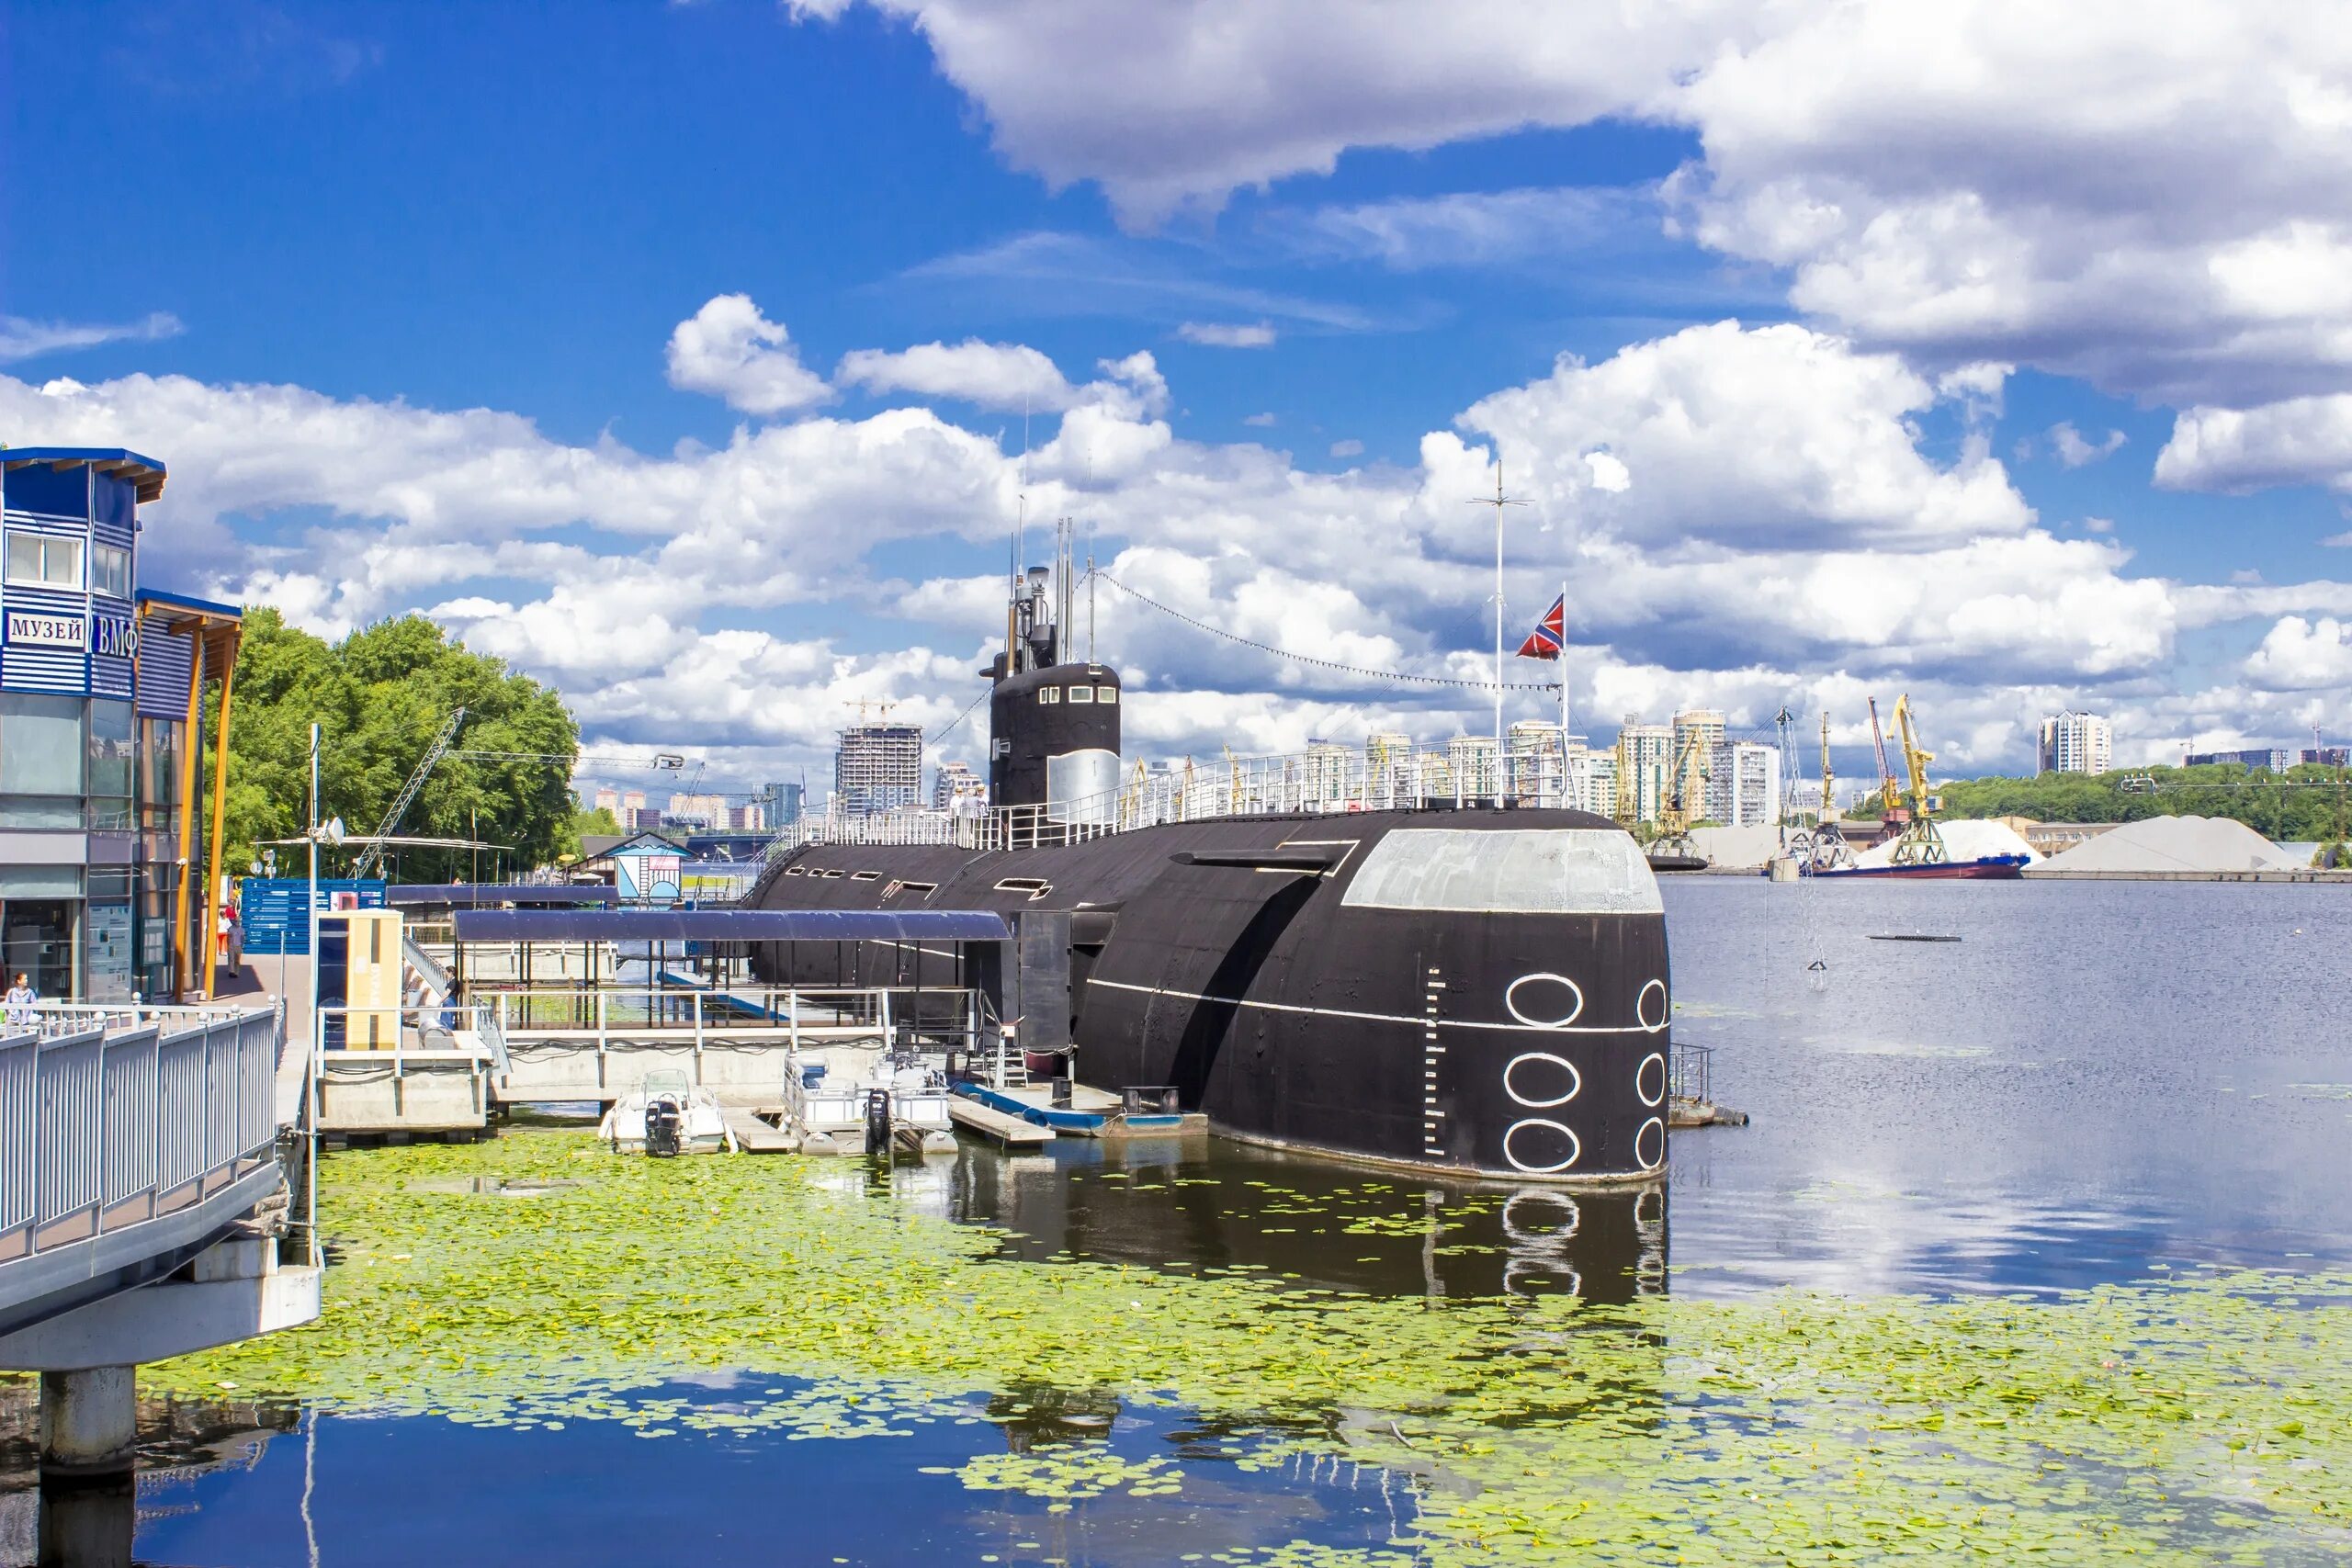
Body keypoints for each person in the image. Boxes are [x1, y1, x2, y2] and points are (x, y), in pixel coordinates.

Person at [219, 901, 243, 980]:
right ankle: (231, 971)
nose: (237, 923)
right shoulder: (230, 929)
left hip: (238, 946)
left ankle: (236, 972)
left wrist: (241, 946)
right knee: (231, 959)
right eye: (236, 922)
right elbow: (228, 937)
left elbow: (243, 938)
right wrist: (228, 945)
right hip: (232, 946)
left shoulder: (242, 930)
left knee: (237, 960)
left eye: (238, 922)